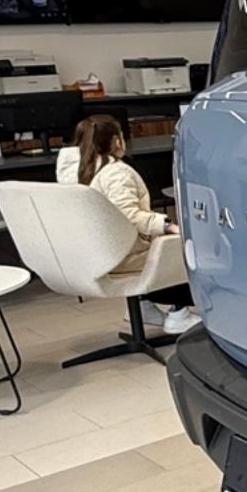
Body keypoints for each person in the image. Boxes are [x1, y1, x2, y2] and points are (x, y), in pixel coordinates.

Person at [67, 114, 198, 334]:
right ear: (116, 140)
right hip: (123, 256)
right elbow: (129, 215)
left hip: (101, 253)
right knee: (180, 248)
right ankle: (179, 313)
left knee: (163, 244)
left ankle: (143, 306)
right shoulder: (116, 173)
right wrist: (167, 226)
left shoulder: (83, 171)